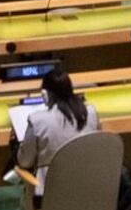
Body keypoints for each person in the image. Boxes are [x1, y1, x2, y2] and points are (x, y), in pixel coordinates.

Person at [13, 64, 102, 192]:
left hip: (51, 194)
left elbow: (25, 162)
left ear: (45, 94)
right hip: (89, 188)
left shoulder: (37, 120)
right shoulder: (91, 113)